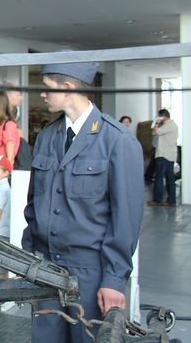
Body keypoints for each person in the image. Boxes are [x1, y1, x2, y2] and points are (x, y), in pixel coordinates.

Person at [23, 61, 143, 343]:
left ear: (68, 88)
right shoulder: (46, 138)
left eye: (46, 87)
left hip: (90, 273)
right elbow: (33, 206)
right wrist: (29, 259)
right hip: (45, 269)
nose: (41, 94)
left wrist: (114, 280)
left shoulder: (117, 141)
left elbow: (125, 218)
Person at [148, 108, 178, 207]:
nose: (158, 118)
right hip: (169, 155)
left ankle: (157, 200)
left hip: (164, 155)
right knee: (170, 178)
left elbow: (154, 132)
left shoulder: (169, 125)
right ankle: (171, 201)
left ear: (163, 116)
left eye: (159, 116)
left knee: (159, 178)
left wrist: (157, 123)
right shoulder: (171, 125)